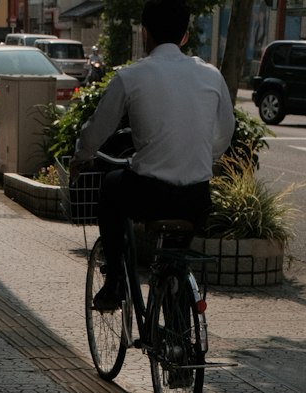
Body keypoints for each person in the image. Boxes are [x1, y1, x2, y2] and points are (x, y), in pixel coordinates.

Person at [71, 0, 235, 311]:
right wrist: (197, 156)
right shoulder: (211, 75)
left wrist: (82, 155)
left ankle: (116, 278)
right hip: (197, 198)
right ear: (185, 35)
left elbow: (98, 128)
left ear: (145, 33)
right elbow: (224, 133)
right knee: (176, 257)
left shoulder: (131, 77)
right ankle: (177, 314)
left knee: (111, 188)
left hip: (149, 194)